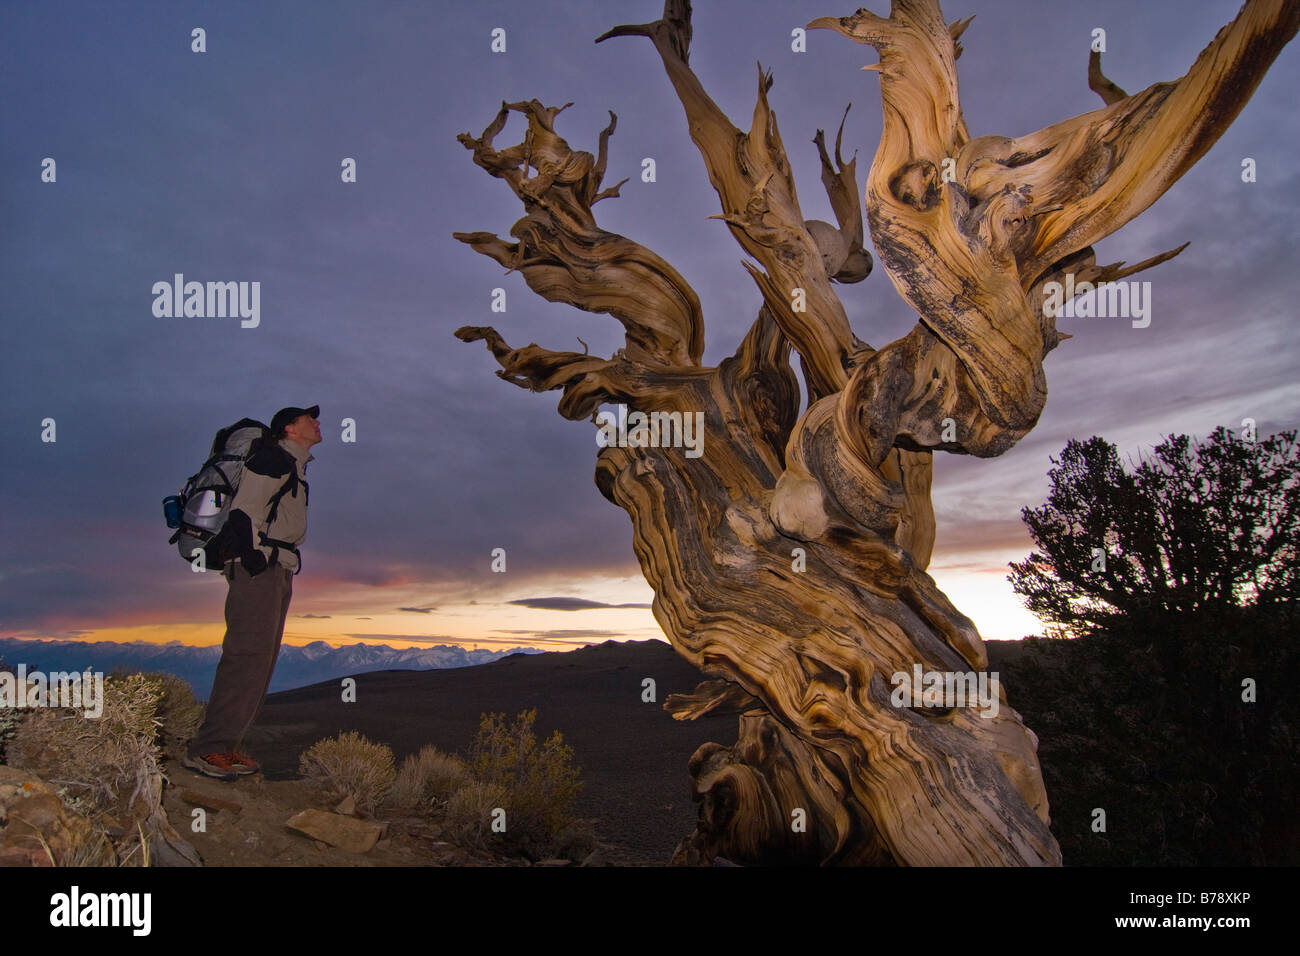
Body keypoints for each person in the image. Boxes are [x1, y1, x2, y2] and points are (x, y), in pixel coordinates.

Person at [183, 405, 321, 781]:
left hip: (276, 567)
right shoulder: (273, 457)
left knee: (260, 661)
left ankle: (224, 747)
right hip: (259, 569)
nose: (318, 423)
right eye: (310, 419)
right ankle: (207, 749)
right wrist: (256, 559)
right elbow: (244, 512)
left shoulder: (292, 463)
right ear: (289, 429)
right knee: (246, 656)